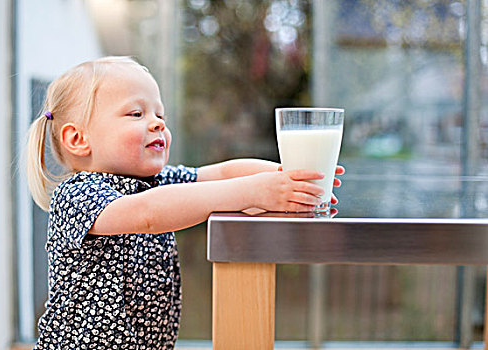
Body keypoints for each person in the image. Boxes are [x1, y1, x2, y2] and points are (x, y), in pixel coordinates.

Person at [26, 56, 344, 349]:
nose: (157, 123)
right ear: (78, 139)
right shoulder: (77, 194)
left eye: (160, 114)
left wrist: (291, 178)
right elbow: (147, 214)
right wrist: (254, 191)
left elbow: (222, 172)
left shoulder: (155, 182)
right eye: (136, 114)